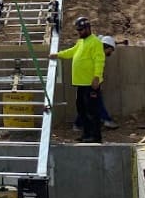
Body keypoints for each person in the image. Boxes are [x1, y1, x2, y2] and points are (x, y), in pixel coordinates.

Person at [49, 15, 105, 143]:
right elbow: (72, 52)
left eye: (81, 30)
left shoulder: (95, 42)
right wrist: (58, 55)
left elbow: (99, 61)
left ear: (88, 28)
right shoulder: (81, 42)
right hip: (80, 83)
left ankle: (95, 136)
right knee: (82, 110)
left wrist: (97, 77)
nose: (79, 32)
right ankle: (86, 134)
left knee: (92, 111)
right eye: (78, 30)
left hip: (90, 83)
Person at [73, 35, 119, 131]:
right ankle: (106, 120)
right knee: (95, 103)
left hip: (88, 82)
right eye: (111, 49)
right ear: (106, 47)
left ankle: (79, 124)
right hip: (89, 83)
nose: (110, 52)